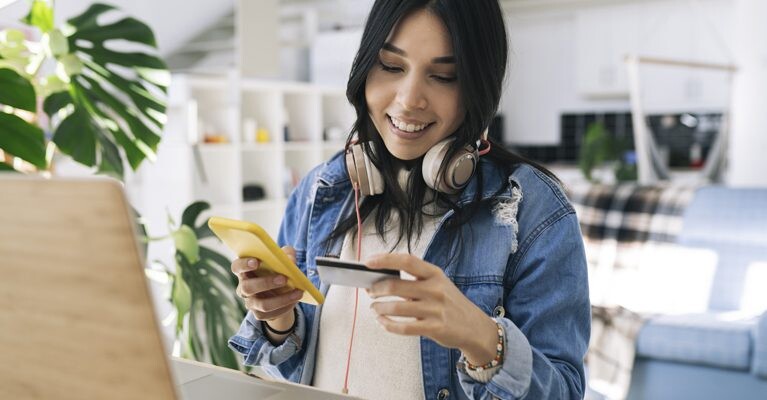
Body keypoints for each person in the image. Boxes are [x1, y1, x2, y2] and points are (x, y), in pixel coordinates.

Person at [228, 0, 590, 399]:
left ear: (477, 87)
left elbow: (564, 392)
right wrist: (279, 321)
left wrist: (481, 337)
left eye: (443, 76)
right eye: (391, 66)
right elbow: (294, 371)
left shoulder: (533, 211)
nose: (409, 98)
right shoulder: (323, 189)